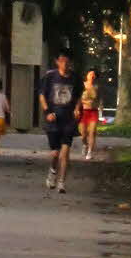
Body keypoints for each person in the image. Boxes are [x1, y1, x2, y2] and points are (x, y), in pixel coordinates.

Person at [38, 49, 82, 192]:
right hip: (53, 120)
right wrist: (47, 112)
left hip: (69, 120)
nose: (65, 63)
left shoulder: (75, 78)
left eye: (67, 61)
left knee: (65, 152)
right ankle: (52, 171)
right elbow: (42, 95)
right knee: (55, 153)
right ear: (57, 62)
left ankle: (62, 182)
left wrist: (77, 108)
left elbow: (78, 97)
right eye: (62, 60)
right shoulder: (50, 77)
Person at [77, 68, 102, 161]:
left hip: (93, 112)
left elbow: (100, 98)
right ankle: (84, 144)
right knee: (83, 134)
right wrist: (77, 108)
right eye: (90, 74)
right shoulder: (81, 85)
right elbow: (77, 98)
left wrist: (101, 106)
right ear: (87, 76)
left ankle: (90, 152)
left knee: (92, 132)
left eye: (94, 75)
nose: (92, 76)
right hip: (83, 111)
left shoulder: (97, 87)